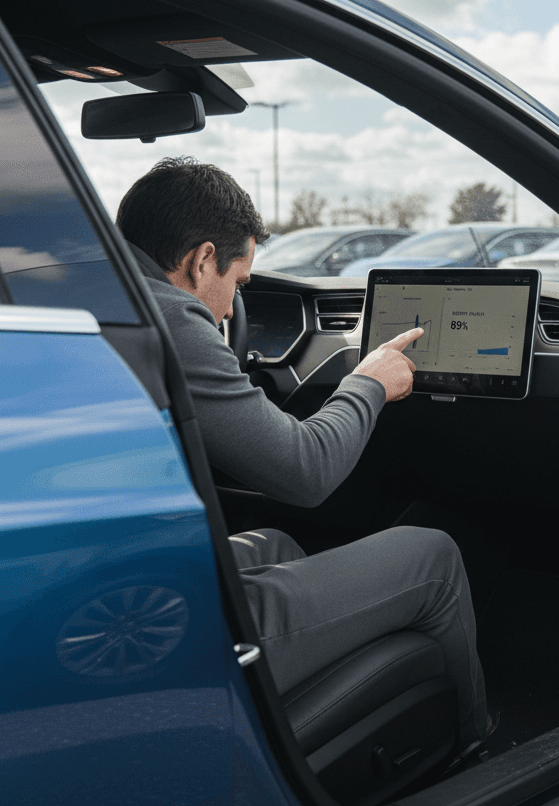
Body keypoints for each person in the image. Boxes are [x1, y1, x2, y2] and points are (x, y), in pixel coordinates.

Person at [116, 156, 489, 753]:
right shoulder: (171, 317)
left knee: (276, 545)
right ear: (201, 259)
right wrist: (367, 382)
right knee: (432, 554)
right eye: (237, 286)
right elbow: (305, 471)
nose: (227, 314)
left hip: (120, 585)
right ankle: (476, 753)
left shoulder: (96, 297)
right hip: (164, 627)